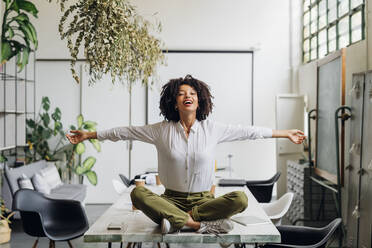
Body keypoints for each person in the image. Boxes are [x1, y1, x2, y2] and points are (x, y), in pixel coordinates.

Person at [66, 75, 305, 234]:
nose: (187, 95)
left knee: (241, 199)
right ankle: (197, 224)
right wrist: (90, 135)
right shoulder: (160, 130)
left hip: (204, 201)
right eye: (181, 93)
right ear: (174, 101)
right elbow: (125, 131)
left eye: (192, 92)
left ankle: (178, 220)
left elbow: (249, 132)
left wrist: (284, 133)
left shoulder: (213, 129)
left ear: (200, 101)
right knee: (138, 193)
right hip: (170, 198)